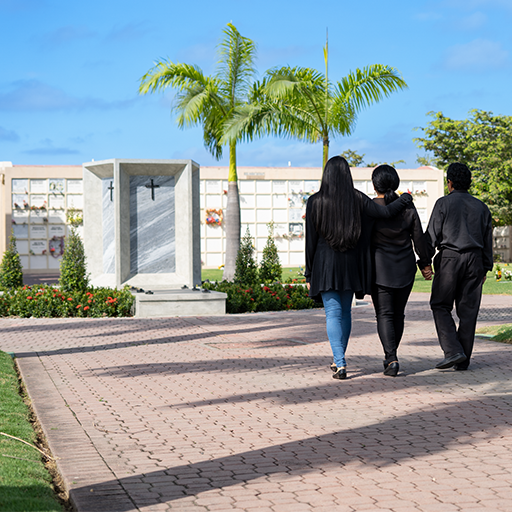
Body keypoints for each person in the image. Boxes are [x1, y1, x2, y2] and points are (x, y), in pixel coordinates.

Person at [305, 156, 412, 380]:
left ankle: (341, 363)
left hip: (325, 264)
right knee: (345, 312)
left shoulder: (315, 201)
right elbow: (385, 212)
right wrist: (405, 199)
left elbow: (310, 241)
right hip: (350, 264)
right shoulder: (358, 199)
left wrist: (309, 272)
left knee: (333, 314)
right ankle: (338, 360)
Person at [423, 162, 493, 371]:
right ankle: (463, 360)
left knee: (440, 304)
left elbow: (431, 237)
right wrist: (486, 267)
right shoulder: (482, 206)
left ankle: (453, 350)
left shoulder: (443, 204)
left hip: (449, 259)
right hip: (475, 260)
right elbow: (488, 240)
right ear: (469, 183)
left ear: (449, 182)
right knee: (468, 311)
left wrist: (425, 262)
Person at [370, 165, 432, 377]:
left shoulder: (370, 208)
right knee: (398, 313)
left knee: (384, 314)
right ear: (395, 183)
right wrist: (425, 262)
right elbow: (419, 238)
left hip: (379, 269)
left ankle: (391, 358)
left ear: (374, 184)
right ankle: (392, 356)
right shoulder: (408, 207)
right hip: (405, 268)